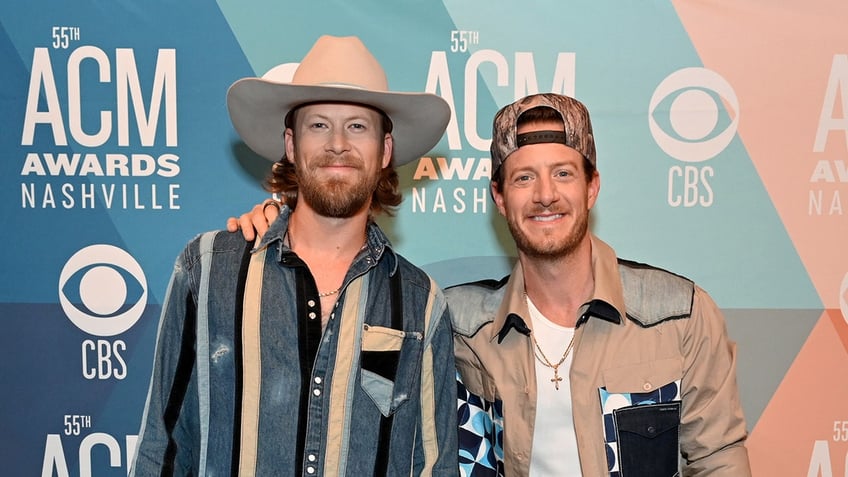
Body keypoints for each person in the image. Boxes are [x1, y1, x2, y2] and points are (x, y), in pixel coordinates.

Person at [230, 93, 752, 476]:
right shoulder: (452, 320)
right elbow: (352, 390)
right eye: (524, 178)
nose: (546, 195)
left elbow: (720, 460)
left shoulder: (678, 315)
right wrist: (284, 225)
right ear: (500, 199)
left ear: (592, 187)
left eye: (564, 174)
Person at [131, 35, 458, 476]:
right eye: (318, 125)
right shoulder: (208, 270)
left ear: (385, 151)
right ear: (290, 144)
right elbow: (161, 447)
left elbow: (434, 467)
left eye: (358, 126)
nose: (338, 144)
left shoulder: (421, 303)